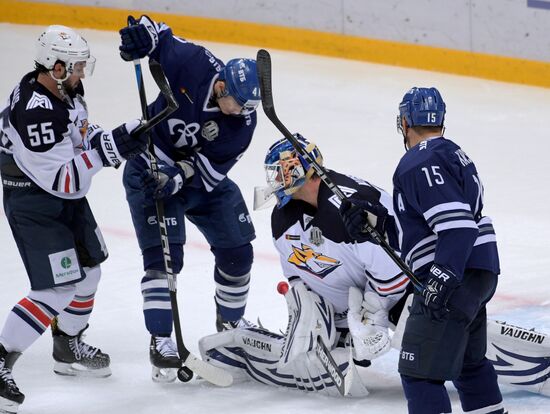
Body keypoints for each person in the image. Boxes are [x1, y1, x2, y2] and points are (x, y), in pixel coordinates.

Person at [0, 25, 147, 413]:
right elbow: (64, 179)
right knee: (56, 290)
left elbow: (79, 135)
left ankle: (67, 346)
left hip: (59, 194)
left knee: (90, 273)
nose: (83, 74)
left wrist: (116, 136)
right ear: (55, 65)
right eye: (77, 67)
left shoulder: (64, 88)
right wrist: (109, 150)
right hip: (34, 200)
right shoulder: (33, 114)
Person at [199, 134, 411, 396]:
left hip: (408, 287)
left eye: (280, 173)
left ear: (301, 170)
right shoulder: (284, 217)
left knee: (426, 353)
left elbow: (396, 271)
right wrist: (309, 308)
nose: (275, 182)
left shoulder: (348, 209)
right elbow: (298, 276)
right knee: (311, 351)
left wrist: (373, 315)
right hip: (355, 296)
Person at [340, 87, 505, 413]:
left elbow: (457, 227)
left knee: (418, 374)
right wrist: (374, 222)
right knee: (469, 367)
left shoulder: (418, 161)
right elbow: (426, 230)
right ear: (441, 119)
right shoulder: (451, 152)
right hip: (477, 272)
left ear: (404, 121)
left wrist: (441, 278)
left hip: (453, 274)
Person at [118, 15, 260, 382]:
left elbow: (208, 171)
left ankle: (229, 325)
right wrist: (140, 37)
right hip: (150, 167)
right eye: (238, 102)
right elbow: (157, 30)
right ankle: (161, 341)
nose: (241, 112)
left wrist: (179, 176)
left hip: (194, 180)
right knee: (164, 260)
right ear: (222, 85)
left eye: (248, 107)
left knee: (238, 249)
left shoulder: (243, 124)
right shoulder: (192, 61)